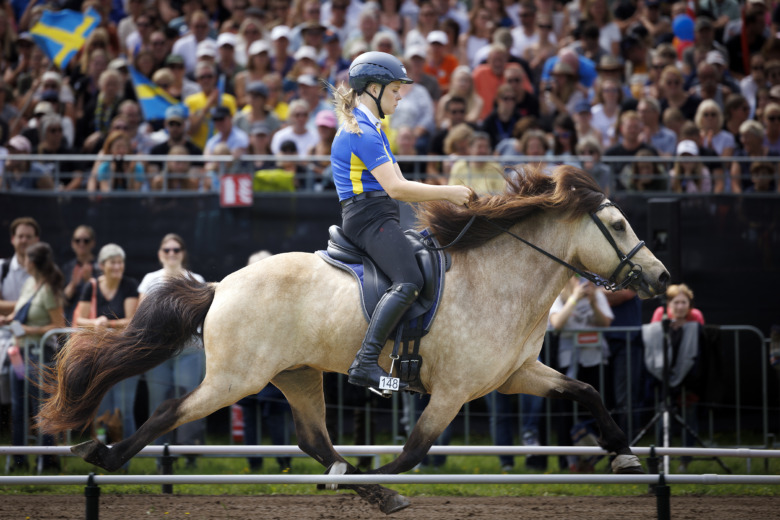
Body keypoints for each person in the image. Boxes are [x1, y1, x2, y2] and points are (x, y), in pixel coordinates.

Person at [329, 51, 470, 390]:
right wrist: (449, 192)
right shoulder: (361, 131)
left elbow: (400, 185)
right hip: (369, 218)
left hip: (379, 216)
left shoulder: (372, 128)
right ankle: (365, 362)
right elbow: (396, 188)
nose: (400, 95)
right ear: (373, 89)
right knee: (407, 280)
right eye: (394, 89)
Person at [138, 234, 206, 462]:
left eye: (176, 249)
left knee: (190, 401)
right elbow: (141, 316)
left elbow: (200, 317)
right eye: (167, 250)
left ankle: (190, 453)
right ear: (160, 254)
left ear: (182, 253)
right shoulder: (150, 279)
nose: (171, 254)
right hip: (157, 350)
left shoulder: (195, 279)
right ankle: (161, 454)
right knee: (158, 403)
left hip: (189, 349)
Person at [0, 242, 64, 472]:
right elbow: (20, 311)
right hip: (21, 355)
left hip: (40, 355)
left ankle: (46, 461)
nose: (22, 261)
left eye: (27, 258)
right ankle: (19, 461)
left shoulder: (48, 289)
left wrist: (30, 331)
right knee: (18, 407)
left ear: (33, 262)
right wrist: (10, 320)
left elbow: (57, 325)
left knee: (41, 408)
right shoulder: (28, 283)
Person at [74, 244, 139, 444]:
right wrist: (96, 322)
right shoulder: (91, 286)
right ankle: (101, 451)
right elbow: (79, 320)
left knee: (123, 411)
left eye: (120, 262)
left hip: (124, 356)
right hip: (98, 358)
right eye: (113, 262)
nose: (118, 266)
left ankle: (125, 456)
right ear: (102, 265)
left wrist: (108, 323)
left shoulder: (129, 285)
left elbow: (131, 320)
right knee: (101, 411)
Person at [548, 275, 613, 471]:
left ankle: (597, 459)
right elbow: (557, 323)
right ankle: (568, 461)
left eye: (586, 276)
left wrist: (593, 302)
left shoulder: (597, 296)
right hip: (569, 363)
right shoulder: (559, 296)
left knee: (598, 409)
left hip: (595, 360)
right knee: (566, 413)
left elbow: (605, 323)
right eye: (577, 277)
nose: (583, 281)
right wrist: (575, 298)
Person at [642, 283, 707, 472]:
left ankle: (685, 460)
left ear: (689, 304)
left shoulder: (696, 317)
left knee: (689, 415)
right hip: (664, 374)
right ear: (669, 304)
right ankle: (663, 458)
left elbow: (698, 344)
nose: (679, 306)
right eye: (676, 302)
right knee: (663, 416)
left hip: (689, 374)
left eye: (683, 302)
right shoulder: (659, 315)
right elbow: (654, 343)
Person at [238, 250, 292, 472]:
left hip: (276, 370)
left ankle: (285, 463)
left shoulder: (286, 299)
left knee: (275, 415)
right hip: (247, 368)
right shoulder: (238, 297)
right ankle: (253, 463)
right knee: (250, 416)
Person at [61, 226, 98, 326]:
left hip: (93, 322)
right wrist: (73, 284)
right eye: (77, 240)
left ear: (92, 243)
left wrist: (89, 283)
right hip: (71, 321)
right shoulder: (68, 267)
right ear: (72, 243)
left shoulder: (101, 267)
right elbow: (62, 300)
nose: (81, 244)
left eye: (86, 241)